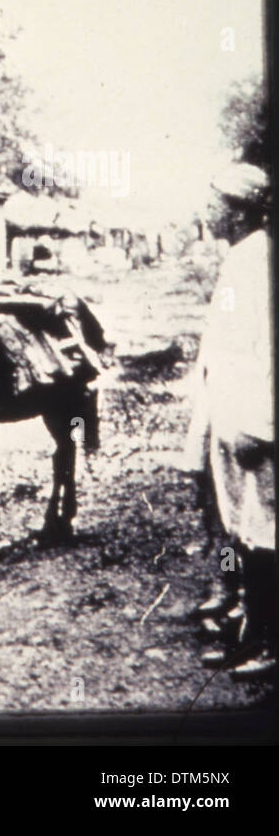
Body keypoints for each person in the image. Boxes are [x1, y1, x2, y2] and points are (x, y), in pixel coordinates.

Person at [181, 163, 274, 679]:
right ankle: (245, 615)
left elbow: (264, 349)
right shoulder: (239, 258)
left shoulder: (260, 261)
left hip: (252, 420)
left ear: (239, 209)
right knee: (238, 526)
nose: (211, 211)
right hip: (229, 414)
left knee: (265, 530)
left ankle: (266, 641)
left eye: (219, 203)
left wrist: (261, 424)